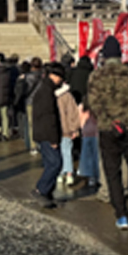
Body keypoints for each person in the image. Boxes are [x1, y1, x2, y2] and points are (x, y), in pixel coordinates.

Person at [87, 36, 128, 229]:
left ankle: (122, 215)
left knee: (112, 172)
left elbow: (94, 103)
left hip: (108, 129)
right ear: (120, 54)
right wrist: (127, 120)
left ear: (105, 56)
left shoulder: (96, 76)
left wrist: (109, 120)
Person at [29, 62, 66, 207]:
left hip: (42, 132)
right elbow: (48, 117)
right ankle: (41, 189)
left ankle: (47, 192)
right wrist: (53, 138)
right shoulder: (46, 91)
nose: (60, 80)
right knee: (56, 163)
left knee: (51, 163)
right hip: (46, 133)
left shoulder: (45, 88)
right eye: (59, 77)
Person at [55, 67, 83, 186]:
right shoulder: (68, 96)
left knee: (59, 153)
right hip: (67, 129)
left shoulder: (52, 96)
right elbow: (73, 113)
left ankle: (61, 172)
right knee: (67, 151)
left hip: (56, 128)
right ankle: (69, 174)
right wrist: (74, 128)